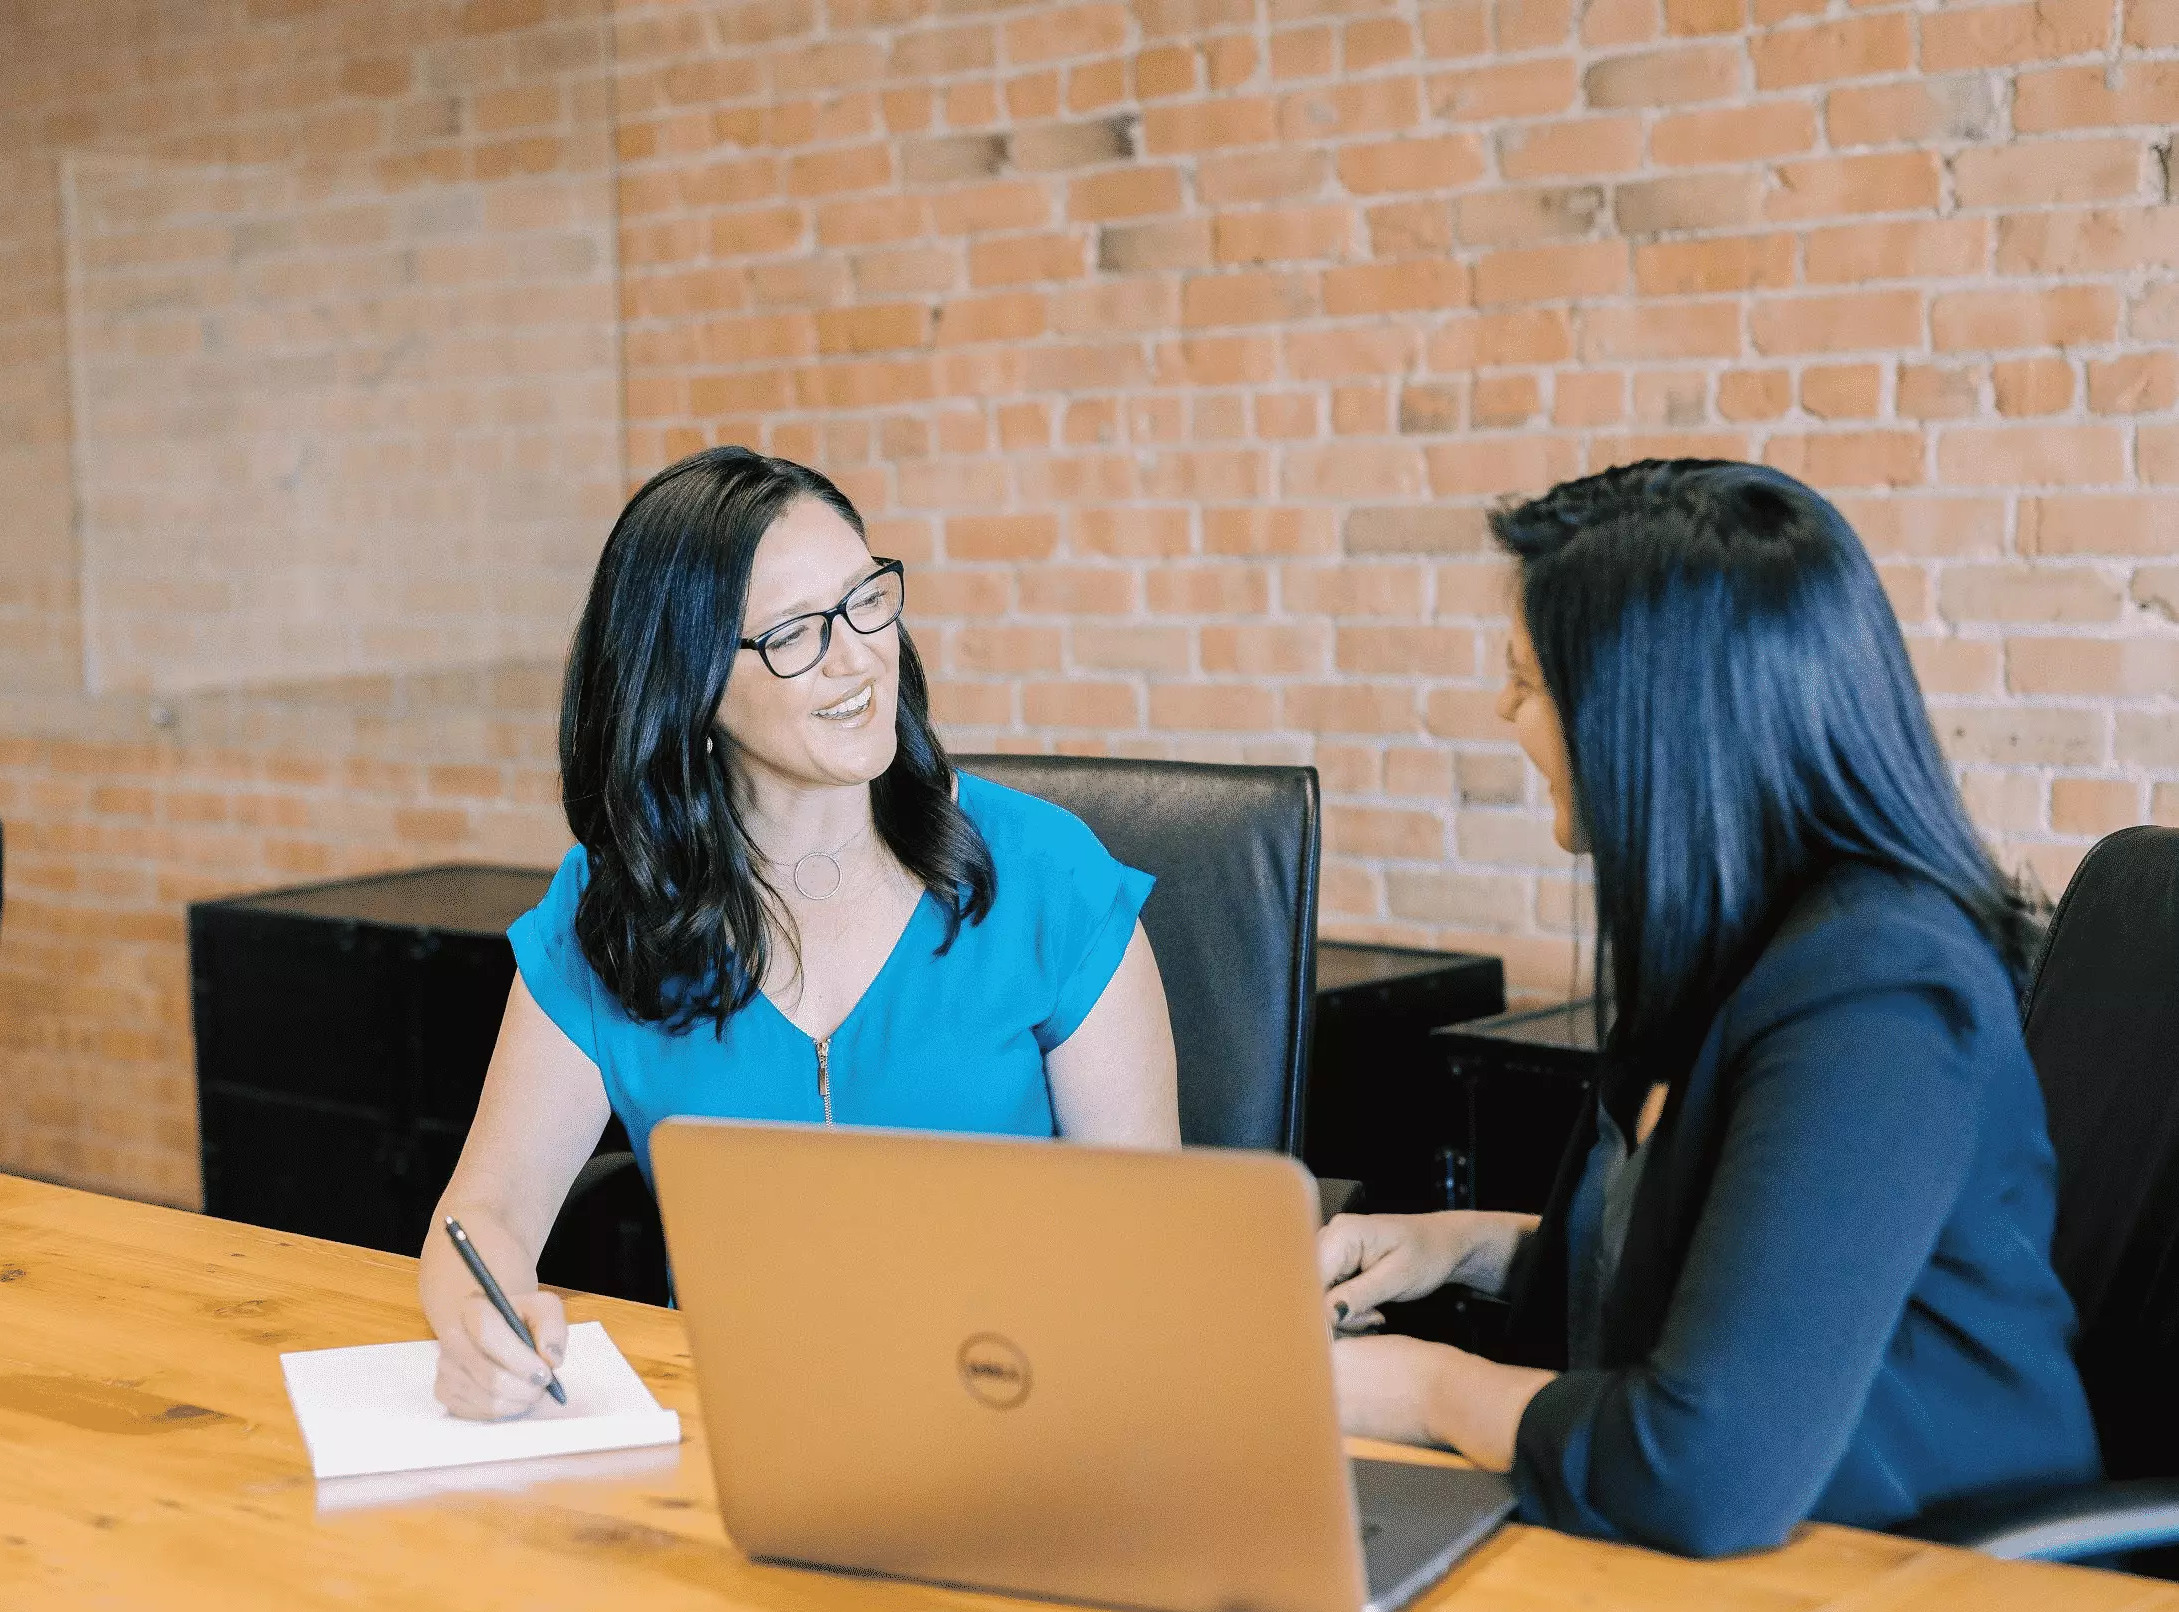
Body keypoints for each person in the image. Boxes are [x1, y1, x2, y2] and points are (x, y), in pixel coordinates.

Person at [1317, 460, 2101, 1555]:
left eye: (1526, 681)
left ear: (1649, 721)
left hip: (1926, 1576)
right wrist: (1462, 1244)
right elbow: (1732, 1261)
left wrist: (1421, 1387)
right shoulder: (1735, 940)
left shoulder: (1878, 993)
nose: (1502, 710)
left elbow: (1699, 1465)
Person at [421, 447, 1180, 1419]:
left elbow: (1152, 1244)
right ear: (687, 685)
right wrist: (479, 1328)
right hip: (732, 1437)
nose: (858, 652)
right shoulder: (613, 914)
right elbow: (481, 1212)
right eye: (793, 633)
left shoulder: (1047, 877)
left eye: (867, 598)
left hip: (1018, 1418)